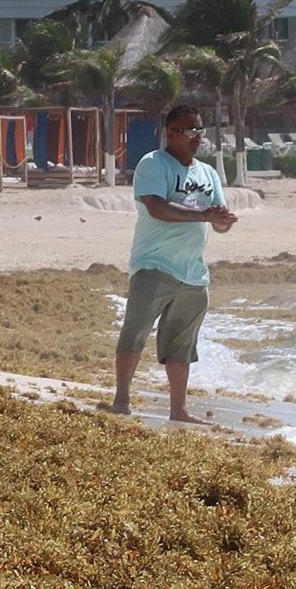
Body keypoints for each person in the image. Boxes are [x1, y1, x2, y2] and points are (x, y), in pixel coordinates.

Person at [111, 104, 238, 424]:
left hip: (193, 273)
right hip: (154, 265)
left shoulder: (208, 173)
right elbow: (157, 208)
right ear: (170, 133)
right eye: (190, 130)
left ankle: (178, 410)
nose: (197, 137)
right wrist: (205, 216)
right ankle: (121, 398)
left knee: (181, 345)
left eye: (200, 130)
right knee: (135, 332)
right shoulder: (153, 164)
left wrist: (223, 221)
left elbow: (217, 221)